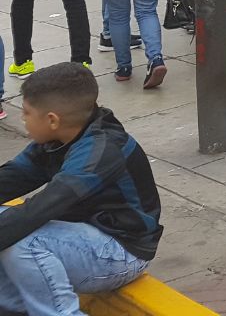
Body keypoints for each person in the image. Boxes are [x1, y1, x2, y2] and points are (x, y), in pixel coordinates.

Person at [0, 63, 161, 313]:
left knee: (22, 239)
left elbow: (43, 207)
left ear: (52, 119)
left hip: (122, 251)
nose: (22, 119)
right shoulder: (56, 140)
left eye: (26, 113)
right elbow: (11, 178)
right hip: (78, 238)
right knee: (9, 226)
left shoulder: (101, 150)